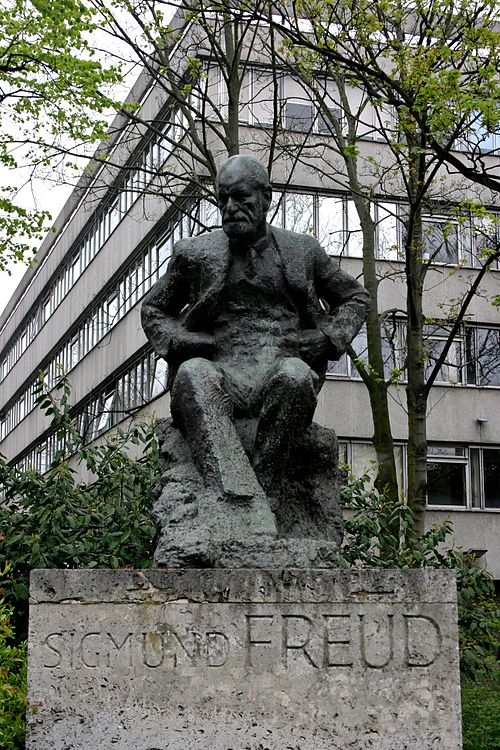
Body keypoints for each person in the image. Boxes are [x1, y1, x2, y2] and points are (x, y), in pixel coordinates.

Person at [141, 155, 370, 502]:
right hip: (219, 367)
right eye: (223, 199)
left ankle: (261, 496)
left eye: (241, 198)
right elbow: (154, 309)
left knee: (296, 376)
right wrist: (184, 342)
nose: (230, 207)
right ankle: (234, 494)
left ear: (266, 198)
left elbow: (355, 297)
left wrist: (325, 339)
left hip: (279, 368)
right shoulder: (194, 253)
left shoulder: (301, 250)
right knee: (192, 374)